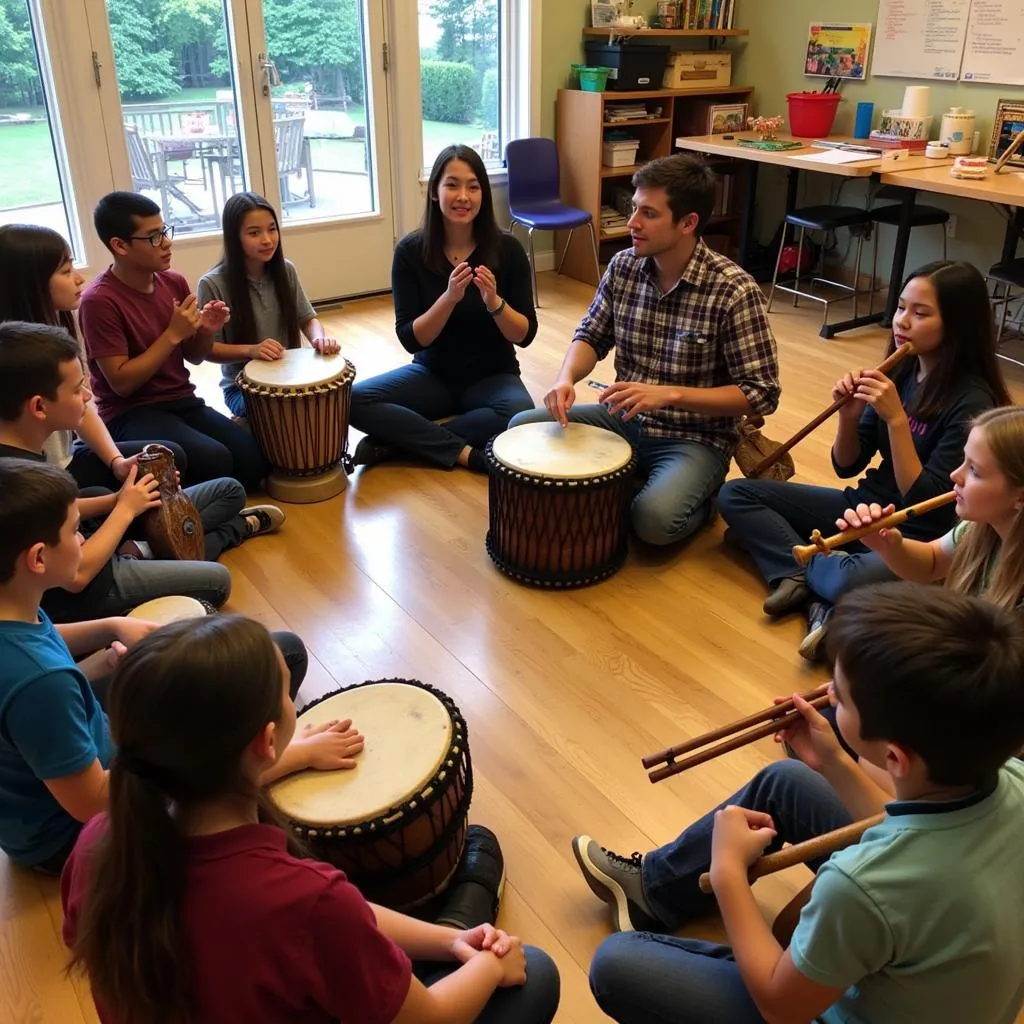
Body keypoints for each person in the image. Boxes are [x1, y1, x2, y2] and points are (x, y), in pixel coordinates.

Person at [61, 613, 562, 1024]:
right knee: (532, 973)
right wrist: (491, 969)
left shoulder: (99, 842)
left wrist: (450, 942)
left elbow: (328, 915)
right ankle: (460, 915)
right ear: (268, 741)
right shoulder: (304, 901)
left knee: (455, 911)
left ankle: (453, 922)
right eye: (286, 692)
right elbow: (428, 1017)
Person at [572, 582, 1024, 1024]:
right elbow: (914, 833)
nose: (827, 694)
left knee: (616, 963)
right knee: (787, 779)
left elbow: (780, 1006)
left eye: (841, 697)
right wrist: (833, 761)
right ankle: (651, 892)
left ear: (894, 758)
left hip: (803, 1005)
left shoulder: (863, 887)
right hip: (941, 955)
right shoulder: (1011, 777)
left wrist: (729, 874)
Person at [0, 458, 325, 873]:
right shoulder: (42, 684)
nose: (82, 538)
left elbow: (42, 641)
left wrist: (111, 627)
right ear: (39, 559)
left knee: (258, 656)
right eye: (74, 530)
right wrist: (183, 747)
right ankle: (277, 758)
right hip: (74, 836)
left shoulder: (14, 608)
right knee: (282, 657)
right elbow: (94, 805)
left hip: (63, 774)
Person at [718, 260, 1010, 660]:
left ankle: (801, 572)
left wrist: (896, 420)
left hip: (912, 529)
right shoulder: (901, 371)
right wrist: (849, 417)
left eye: (920, 313)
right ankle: (807, 583)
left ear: (956, 325)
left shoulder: (972, 401)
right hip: (865, 505)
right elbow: (847, 465)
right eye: (901, 307)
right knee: (736, 496)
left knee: (849, 581)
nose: (902, 321)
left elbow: (928, 505)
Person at [510, 154, 780, 546]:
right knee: (522, 428)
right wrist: (565, 378)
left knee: (653, 522)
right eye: (634, 208)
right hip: (623, 419)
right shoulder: (623, 267)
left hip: (694, 439)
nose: (632, 222)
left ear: (688, 223)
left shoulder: (734, 291)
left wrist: (670, 395)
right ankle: (628, 482)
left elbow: (762, 394)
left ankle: (702, 501)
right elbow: (591, 335)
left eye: (648, 213)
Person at [0, 321, 283, 622]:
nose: (87, 395)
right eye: (76, 389)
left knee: (230, 489)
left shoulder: (25, 449)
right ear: (39, 407)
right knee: (217, 580)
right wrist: (125, 509)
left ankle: (146, 549)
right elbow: (77, 576)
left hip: (97, 541)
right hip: (93, 585)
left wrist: (120, 498)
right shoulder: (16, 475)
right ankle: (224, 532)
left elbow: (54, 509)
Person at [349, 144, 537, 474]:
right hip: (432, 374)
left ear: (484, 194)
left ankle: (398, 443)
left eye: (473, 186)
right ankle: (464, 452)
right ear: (435, 192)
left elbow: (525, 335)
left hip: (492, 375)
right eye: (452, 185)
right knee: (353, 400)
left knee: (520, 414)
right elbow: (411, 339)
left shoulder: (508, 249)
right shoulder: (410, 251)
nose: (463, 196)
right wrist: (449, 298)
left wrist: (494, 303)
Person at [77, 191, 268, 487]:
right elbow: (122, 384)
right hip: (130, 413)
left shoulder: (173, 281)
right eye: (153, 237)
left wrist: (205, 329)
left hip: (181, 400)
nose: (167, 243)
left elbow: (193, 355)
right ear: (119, 245)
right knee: (215, 460)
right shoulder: (99, 300)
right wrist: (172, 334)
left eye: (164, 231)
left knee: (253, 461)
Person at [0, 222, 187, 490]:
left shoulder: (65, 320)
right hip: (34, 481)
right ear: (29, 283)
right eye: (66, 271)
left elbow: (83, 403)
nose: (79, 278)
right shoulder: (13, 353)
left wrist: (116, 462)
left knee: (167, 457)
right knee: (107, 495)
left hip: (69, 458)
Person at [833, 405, 1024, 612]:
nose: (955, 475)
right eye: (963, 461)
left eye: (974, 471)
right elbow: (932, 562)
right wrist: (889, 545)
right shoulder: (977, 526)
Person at [197, 191, 341, 418]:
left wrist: (318, 338)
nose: (267, 239)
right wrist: (251, 350)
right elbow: (208, 350)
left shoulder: (286, 269)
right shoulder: (212, 284)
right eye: (254, 233)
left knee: (332, 400)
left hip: (291, 375)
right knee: (289, 413)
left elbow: (307, 317)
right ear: (234, 238)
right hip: (242, 387)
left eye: (272, 229)